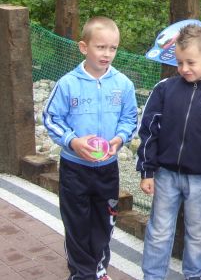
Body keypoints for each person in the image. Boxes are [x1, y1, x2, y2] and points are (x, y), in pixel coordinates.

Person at [43, 16, 138, 280]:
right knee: (76, 224)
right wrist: (72, 141)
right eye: (100, 47)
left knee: (104, 222)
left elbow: (130, 119)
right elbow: (51, 118)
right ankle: (81, 274)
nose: (107, 54)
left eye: (113, 48)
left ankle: (98, 268)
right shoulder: (67, 83)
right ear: (84, 47)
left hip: (107, 169)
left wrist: (119, 138)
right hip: (74, 169)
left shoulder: (123, 84)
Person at [136, 24, 201, 280]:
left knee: (199, 233)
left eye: (191, 62)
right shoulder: (165, 88)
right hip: (165, 174)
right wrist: (147, 170)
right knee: (159, 230)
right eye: (179, 62)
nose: (184, 68)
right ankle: (152, 276)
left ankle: (194, 275)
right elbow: (149, 130)